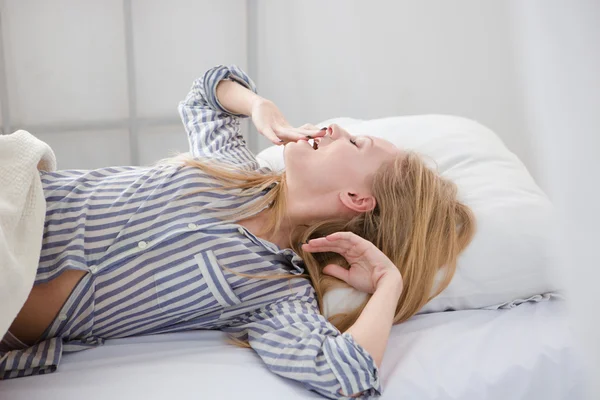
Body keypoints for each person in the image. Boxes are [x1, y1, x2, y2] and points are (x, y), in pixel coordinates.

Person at [0, 64, 475, 398]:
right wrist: (258, 105)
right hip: (15, 191)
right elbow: (208, 90)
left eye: (353, 141)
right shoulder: (230, 164)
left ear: (356, 199)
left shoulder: (276, 293)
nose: (331, 128)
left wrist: (388, 284)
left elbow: (346, 377)